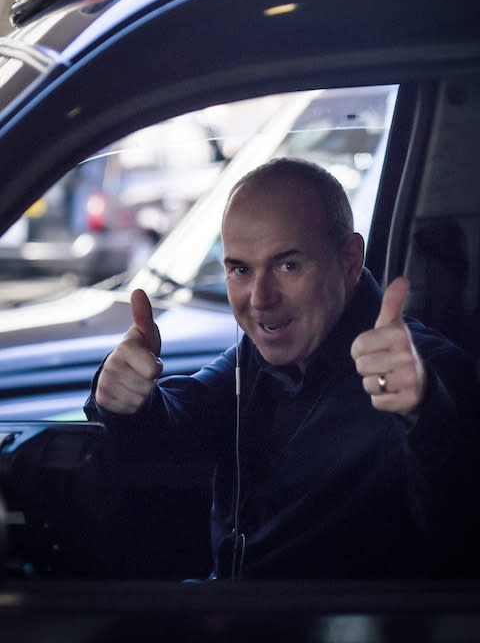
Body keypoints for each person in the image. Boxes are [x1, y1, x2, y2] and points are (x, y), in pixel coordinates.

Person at [85, 158, 480, 581]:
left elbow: (461, 531)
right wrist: (125, 399)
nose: (259, 298)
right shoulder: (256, 360)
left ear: (349, 260)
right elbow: (180, 418)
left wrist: (425, 412)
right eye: (240, 269)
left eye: (287, 265)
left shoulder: (425, 373)